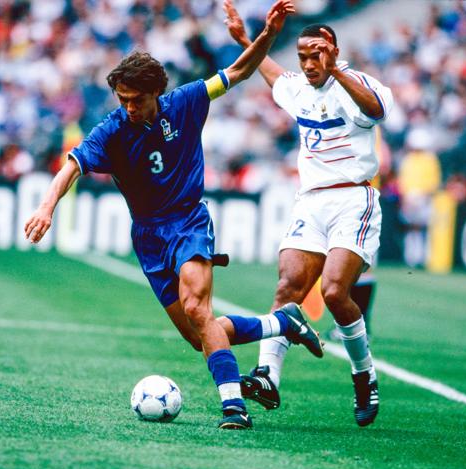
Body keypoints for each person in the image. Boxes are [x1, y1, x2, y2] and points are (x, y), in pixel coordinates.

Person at [24, 0, 324, 431]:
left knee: (198, 308)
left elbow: (238, 72)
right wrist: (46, 206)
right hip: (148, 236)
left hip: (188, 220)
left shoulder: (186, 102)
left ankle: (233, 407)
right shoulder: (111, 130)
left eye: (137, 100)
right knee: (195, 333)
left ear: (156, 94)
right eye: (123, 99)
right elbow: (72, 164)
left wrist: (268, 34)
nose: (129, 107)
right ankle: (281, 321)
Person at [223, 0, 394, 427]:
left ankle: (364, 374)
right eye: (303, 56)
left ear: (334, 51)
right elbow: (273, 75)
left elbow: (375, 111)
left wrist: (335, 70)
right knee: (287, 288)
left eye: (315, 54)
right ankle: (268, 377)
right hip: (311, 200)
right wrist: (246, 39)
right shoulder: (299, 86)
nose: (308, 63)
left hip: (354, 198)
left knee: (335, 293)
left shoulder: (356, 83)